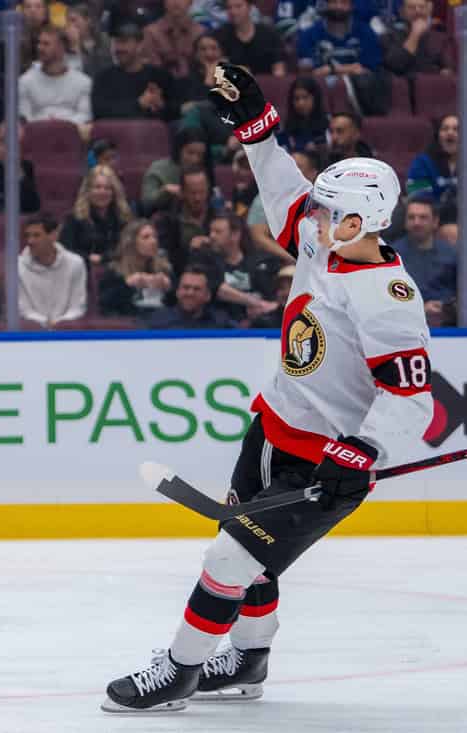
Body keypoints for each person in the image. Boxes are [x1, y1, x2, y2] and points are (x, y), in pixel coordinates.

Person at [103, 64, 432, 714]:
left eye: (328, 208)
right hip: (273, 424)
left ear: (363, 219)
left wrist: (362, 450)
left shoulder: (389, 298)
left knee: (228, 554)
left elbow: (414, 400)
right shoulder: (322, 236)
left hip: (326, 458)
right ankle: (247, 660)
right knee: (246, 554)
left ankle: (178, 671)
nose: (312, 213)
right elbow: (283, 189)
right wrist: (257, 127)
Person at [297, 0, 385, 115]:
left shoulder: (366, 32)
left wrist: (330, 69)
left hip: (360, 96)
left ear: (351, 6)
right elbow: (307, 74)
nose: (338, 7)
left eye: (343, 3)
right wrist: (350, 68)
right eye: (334, 2)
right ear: (326, 5)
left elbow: (368, 71)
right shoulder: (309, 34)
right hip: (319, 94)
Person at [189, 212, 280, 322]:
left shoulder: (259, 262)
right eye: (211, 231)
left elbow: (271, 296)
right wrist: (258, 303)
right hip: (218, 325)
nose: (211, 236)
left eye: (218, 232)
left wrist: (268, 307)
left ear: (235, 235)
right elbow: (219, 289)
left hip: (257, 325)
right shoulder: (207, 260)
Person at [392, 197, 457, 327]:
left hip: (448, 328)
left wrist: (448, 310)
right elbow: (387, 297)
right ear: (405, 222)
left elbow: (460, 293)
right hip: (404, 325)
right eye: (411, 217)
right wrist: (421, 308)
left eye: (423, 217)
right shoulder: (392, 255)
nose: (417, 222)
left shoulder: (451, 254)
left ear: (435, 221)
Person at [91, 24, 176, 121]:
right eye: (116, 43)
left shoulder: (159, 76)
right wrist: (139, 104)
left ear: (140, 45)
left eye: (124, 42)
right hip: (113, 133)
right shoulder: (103, 77)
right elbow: (99, 112)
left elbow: (174, 113)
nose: (118, 48)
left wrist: (161, 105)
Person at [18, 211, 87, 327]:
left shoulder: (76, 263)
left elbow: (77, 307)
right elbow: (22, 309)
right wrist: (46, 323)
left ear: (54, 235)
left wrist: (60, 324)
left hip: (67, 333)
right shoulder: (16, 266)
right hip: (31, 334)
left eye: (36, 235)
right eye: (27, 236)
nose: (30, 241)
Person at [18, 26, 92, 130]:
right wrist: (47, 127)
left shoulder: (83, 82)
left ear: (61, 48)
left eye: (46, 44)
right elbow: (25, 116)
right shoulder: (25, 81)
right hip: (36, 135)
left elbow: (85, 115)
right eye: (39, 43)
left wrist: (59, 126)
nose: (40, 48)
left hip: (72, 135)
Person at [154, 166, 223, 277]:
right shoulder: (167, 221)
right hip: (183, 279)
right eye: (192, 193)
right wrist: (190, 250)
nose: (198, 198)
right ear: (181, 192)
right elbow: (165, 261)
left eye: (202, 192)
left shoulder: (220, 216)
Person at [95, 219, 173, 317]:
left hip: (163, 322)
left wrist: (169, 287)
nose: (153, 241)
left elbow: (176, 305)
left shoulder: (164, 268)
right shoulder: (114, 271)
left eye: (155, 237)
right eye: (146, 237)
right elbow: (105, 306)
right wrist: (127, 285)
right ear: (131, 242)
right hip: (130, 324)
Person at [60, 164, 132, 269]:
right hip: (83, 271)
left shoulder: (123, 217)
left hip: (118, 271)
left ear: (114, 192)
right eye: (97, 187)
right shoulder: (74, 218)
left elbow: (128, 249)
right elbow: (65, 250)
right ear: (88, 191)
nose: (102, 192)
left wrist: (103, 258)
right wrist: (87, 257)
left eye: (107, 188)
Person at [141, 126, 209, 216]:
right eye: (190, 153)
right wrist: (164, 192)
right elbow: (145, 205)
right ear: (178, 150)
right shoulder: (158, 170)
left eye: (200, 154)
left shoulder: (205, 170)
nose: (195, 159)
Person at [144, 266, 237, 328]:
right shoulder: (158, 320)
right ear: (177, 292)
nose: (190, 293)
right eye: (186, 287)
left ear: (207, 296)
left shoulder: (221, 322)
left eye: (197, 289)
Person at [382, 0, 455, 77]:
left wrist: (447, 71)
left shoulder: (441, 38)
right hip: (402, 86)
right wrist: (414, 35)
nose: (418, 11)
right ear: (402, 12)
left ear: (428, 9)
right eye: (411, 7)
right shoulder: (390, 35)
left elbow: (450, 68)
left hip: (432, 85)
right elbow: (395, 65)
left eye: (422, 7)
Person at [214, 0, 286, 76]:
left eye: (238, 6)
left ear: (250, 8)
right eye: (229, 7)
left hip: (265, 85)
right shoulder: (220, 36)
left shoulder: (270, 35)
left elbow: (279, 70)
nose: (233, 12)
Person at [140, 0, 202, 79]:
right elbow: (151, 69)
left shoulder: (200, 33)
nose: (176, 2)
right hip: (160, 85)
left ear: (191, 2)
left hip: (195, 86)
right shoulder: (150, 33)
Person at [406, 114, 457, 205]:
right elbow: (417, 199)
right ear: (437, 135)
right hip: (435, 216)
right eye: (445, 129)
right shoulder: (422, 162)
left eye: (456, 129)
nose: (450, 132)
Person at [275, 77, 329, 155]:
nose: (301, 103)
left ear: (315, 98)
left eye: (305, 97)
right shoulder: (285, 128)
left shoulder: (329, 124)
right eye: (296, 99)